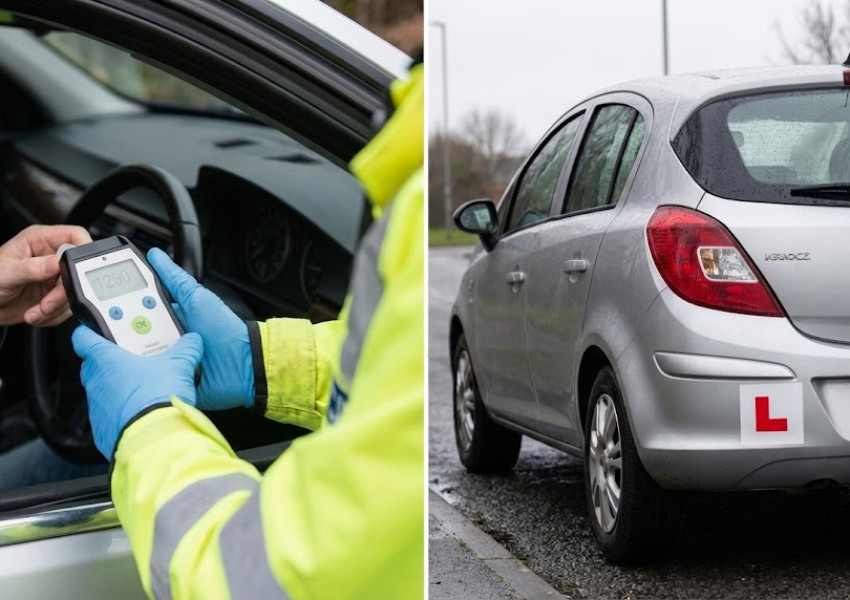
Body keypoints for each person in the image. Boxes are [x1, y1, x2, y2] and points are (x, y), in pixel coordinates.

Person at [72, 61, 423, 599]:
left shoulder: (417, 183)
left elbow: (254, 578)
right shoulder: (415, 181)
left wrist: (147, 426)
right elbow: (398, 368)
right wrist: (258, 361)